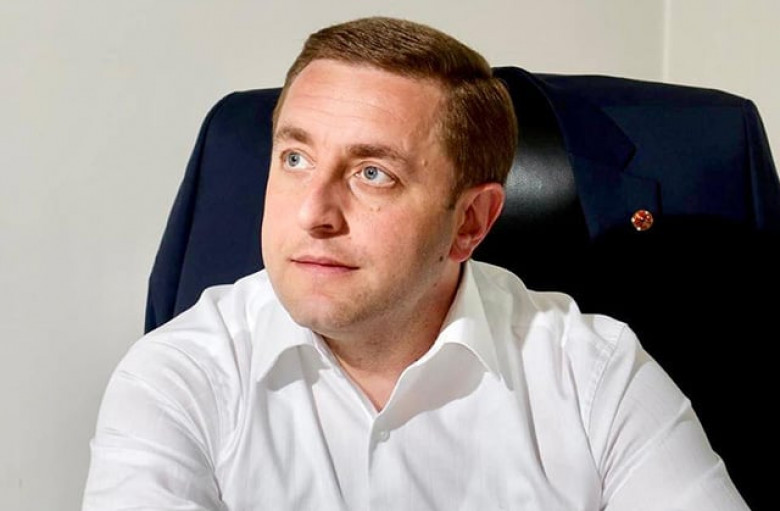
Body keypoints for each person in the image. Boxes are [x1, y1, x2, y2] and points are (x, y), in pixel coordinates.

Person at [82, 17, 749, 510]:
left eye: (372, 172)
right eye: (295, 158)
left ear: (471, 222)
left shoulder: (595, 374)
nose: (313, 211)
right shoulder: (178, 377)